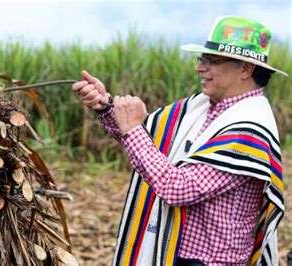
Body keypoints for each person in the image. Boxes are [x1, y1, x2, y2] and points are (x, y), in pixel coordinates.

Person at [72, 16, 287, 265]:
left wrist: (133, 129)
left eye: (212, 61)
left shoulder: (249, 129)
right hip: (175, 251)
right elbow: (151, 149)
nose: (200, 67)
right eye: (201, 59)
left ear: (245, 69)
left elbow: (177, 188)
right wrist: (106, 106)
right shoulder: (202, 107)